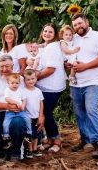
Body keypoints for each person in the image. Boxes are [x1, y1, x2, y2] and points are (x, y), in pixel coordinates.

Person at [69, 13, 98, 159]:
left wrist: (85, 66)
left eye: (80, 23)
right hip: (75, 83)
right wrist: (68, 64)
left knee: (91, 109)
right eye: (75, 25)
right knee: (79, 113)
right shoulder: (73, 39)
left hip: (93, 81)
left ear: (87, 22)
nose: (77, 27)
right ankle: (85, 140)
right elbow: (69, 56)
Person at [0, 54, 29, 162]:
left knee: (19, 123)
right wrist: (8, 106)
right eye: (1, 67)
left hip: (15, 112)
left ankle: (15, 151)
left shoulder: (20, 79)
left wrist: (20, 106)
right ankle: (0, 151)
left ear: (13, 65)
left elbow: (24, 97)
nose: (4, 69)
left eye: (7, 66)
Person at [36, 23, 67, 153]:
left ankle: (57, 141)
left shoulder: (52, 48)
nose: (47, 34)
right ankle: (49, 139)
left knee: (47, 113)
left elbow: (50, 69)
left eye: (50, 32)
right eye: (45, 31)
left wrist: (34, 78)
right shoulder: (47, 46)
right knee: (44, 113)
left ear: (54, 35)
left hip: (51, 87)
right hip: (46, 86)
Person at [2, 73, 32, 147]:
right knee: (5, 123)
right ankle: (6, 136)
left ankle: (28, 133)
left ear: (19, 83)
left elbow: (24, 99)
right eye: (12, 83)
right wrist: (16, 102)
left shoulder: (21, 90)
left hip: (20, 111)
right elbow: (7, 98)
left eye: (17, 83)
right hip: (10, 112)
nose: (15, 85)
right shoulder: (7, 90)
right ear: (8, 83)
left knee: (27, 119)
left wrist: (23, 106)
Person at [23, 69, 44, 158]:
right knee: (29, 135)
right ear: (24, 81)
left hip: (36, 116)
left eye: (32, 78)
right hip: (28, 117)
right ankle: (29, 150)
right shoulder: (23, 91)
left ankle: (35, 149)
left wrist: (40, 115)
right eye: (28, 79)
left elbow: (41, 103)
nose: (31, 81)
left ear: (36, 78)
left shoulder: (38, 91)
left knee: (36, 134)